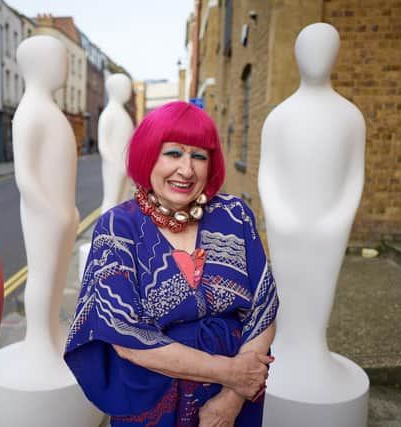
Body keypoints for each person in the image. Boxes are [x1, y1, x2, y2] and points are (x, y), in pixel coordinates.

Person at [64, 101, 278, 426]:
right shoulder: (118, 228)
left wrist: (232, 397)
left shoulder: (234, 215)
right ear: (149, 154)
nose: (187, 170)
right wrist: (230, 372)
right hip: (151, 398)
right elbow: (126, 337)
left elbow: (263, 309)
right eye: (173, 153)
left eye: (199, 156)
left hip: (236, 397)